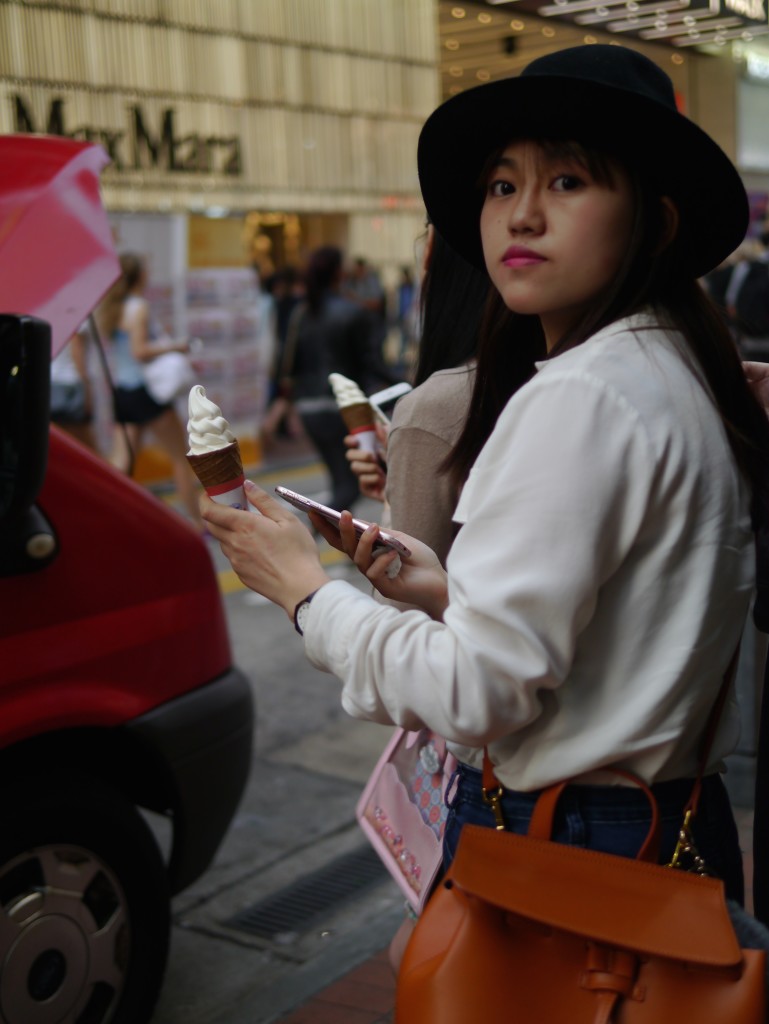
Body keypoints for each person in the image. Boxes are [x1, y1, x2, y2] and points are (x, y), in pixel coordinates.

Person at [201, 45, 769, 909]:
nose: (521, 216)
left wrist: (305, 593)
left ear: (651, 223)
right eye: (503, 186)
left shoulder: (581, 394)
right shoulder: (681, 367)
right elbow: (614, 634)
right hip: (671, 825)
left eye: (568, 183)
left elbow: (475, 695)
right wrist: (443, 593)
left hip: (571, 843)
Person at [96, 253, 203, 531]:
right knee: (180, 457)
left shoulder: (113, 308)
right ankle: (194, 520)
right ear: (139, 275)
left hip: (123, 392)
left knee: (122, 461)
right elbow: (140, 351)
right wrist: (177, 346)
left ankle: (107, 512)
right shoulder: (138, 307)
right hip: (146, 392)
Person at [279, 245, 389, 511]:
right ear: (340, 272)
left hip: (309, 409)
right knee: (351, 486)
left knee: (340, 480)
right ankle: (313, 532)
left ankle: (344, 542)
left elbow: (288, 364)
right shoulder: (354, 312)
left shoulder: (302, 313)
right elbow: (372, 364)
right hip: (344, 409)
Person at [50, 320, 100, 452]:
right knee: (85, 445)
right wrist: (87, 387)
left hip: (52, 383)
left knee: (59, 443)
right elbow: (77, 352)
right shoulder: (77, 317)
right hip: (70, 385)